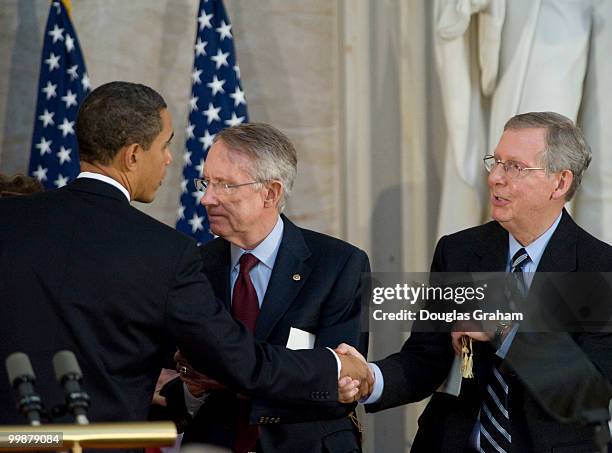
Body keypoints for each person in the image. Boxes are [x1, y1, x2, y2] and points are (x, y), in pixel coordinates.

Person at [0, 81, 371, 424]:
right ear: (132, 156)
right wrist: (332, 367)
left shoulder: (9, 220)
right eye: (164, 145)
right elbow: (242, 362)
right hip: (102, 441)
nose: (167, 160)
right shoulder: (164, 251)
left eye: (224, 185)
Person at [338, 111, 612, 452]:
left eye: (514, 166)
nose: (495, 177)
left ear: (560, 182)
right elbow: (426, 357)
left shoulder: (598, 268)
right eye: (495, 162)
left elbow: (589, 395)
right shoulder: (460, 252)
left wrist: (504, 330)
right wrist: (369, 380)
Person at [157, 123, 370, 453]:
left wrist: (231, 376)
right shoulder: (191, 268)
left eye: (225, 185)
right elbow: (171, 380)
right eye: (206, 182)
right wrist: (192, 390)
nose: (206, 198)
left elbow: (340, 386)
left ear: (270, 192)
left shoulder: (340, 265)